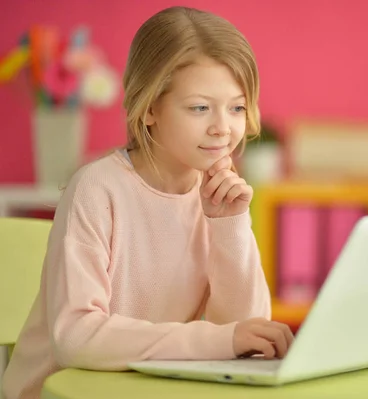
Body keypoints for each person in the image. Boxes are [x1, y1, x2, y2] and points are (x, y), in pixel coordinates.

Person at [2, 6, 294, 399]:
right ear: (151, 107)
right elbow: (75, 336)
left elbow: (243, 334)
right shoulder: (97, 188)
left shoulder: (216, 197)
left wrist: (230, 226)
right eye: (200, 107)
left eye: (237, 107)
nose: (223, 127)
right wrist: (218, 341)